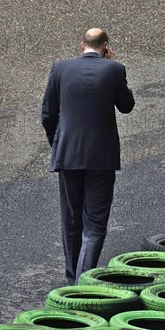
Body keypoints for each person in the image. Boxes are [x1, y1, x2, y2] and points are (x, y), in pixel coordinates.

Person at [41, 28, 135, 285]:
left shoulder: (60, 69)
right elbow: (127, 106)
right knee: (95, 224)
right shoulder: (114, 69)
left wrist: (58, 145)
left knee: (71, 220)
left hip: (67, 155)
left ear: (82, 45)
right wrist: (110, 64)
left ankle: (72, 280)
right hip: (101, 157)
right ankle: (83, 284)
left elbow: (48, 114)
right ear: (105, 46)